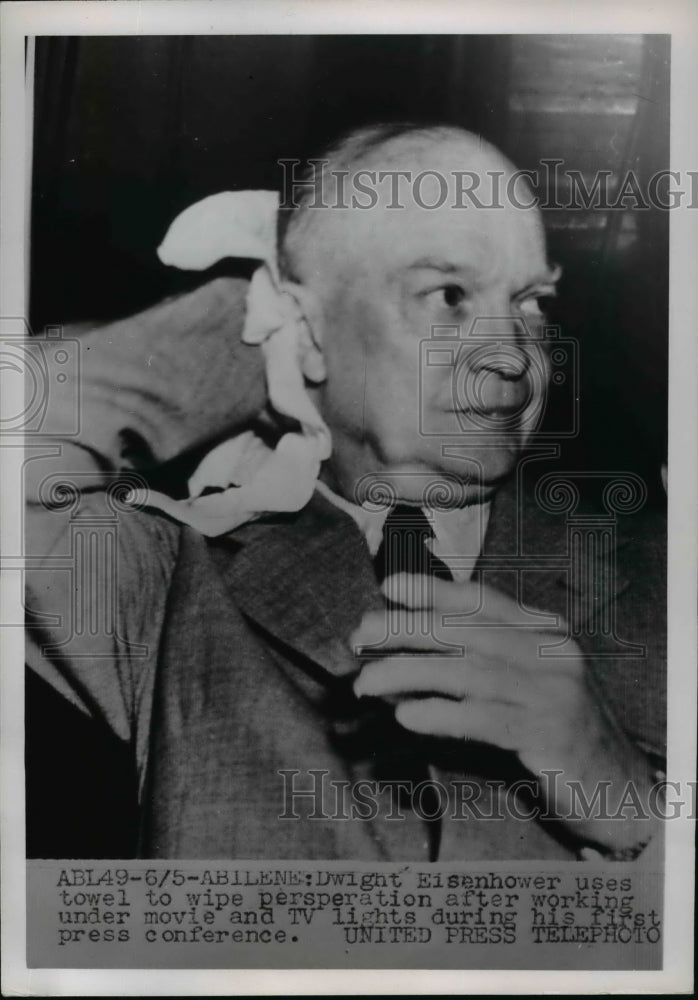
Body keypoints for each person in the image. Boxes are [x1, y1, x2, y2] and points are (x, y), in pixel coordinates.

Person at [25, 124, 666, 861]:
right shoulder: (166, 583)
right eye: (450, 295)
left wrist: (629, 797)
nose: (513, 358)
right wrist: (243, 329)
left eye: (529, 303)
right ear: (305, 326)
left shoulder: (668, 569)